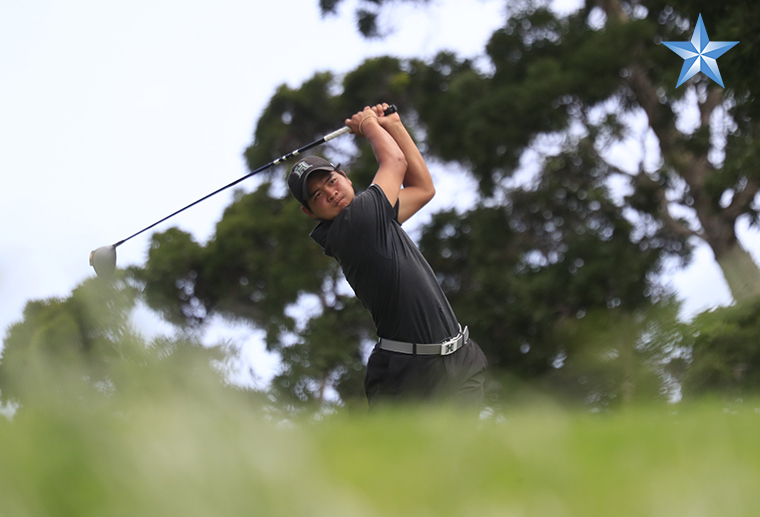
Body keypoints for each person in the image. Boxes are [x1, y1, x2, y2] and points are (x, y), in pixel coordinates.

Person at [287, 103, 487, 407]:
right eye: (317, 195)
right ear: (309, 211)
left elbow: (422, 188)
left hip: (459, 360)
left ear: (344, 176)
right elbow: (394, 161)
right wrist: (368, 125)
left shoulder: (372, 220)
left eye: (330, 181)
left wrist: (393, 125)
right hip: (409, 376)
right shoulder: (356, 222)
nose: (330, 193)